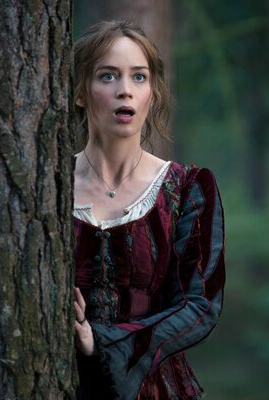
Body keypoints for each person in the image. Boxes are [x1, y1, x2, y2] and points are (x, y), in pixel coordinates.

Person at [72, 20, 226, 400]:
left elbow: (200, 306)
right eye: (108, 76)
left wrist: (101, 341)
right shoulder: (47, 186)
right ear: (80, 92)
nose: (125, 90)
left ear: (152, 93)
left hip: (155, 388)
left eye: (139, 77)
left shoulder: (187, 189)